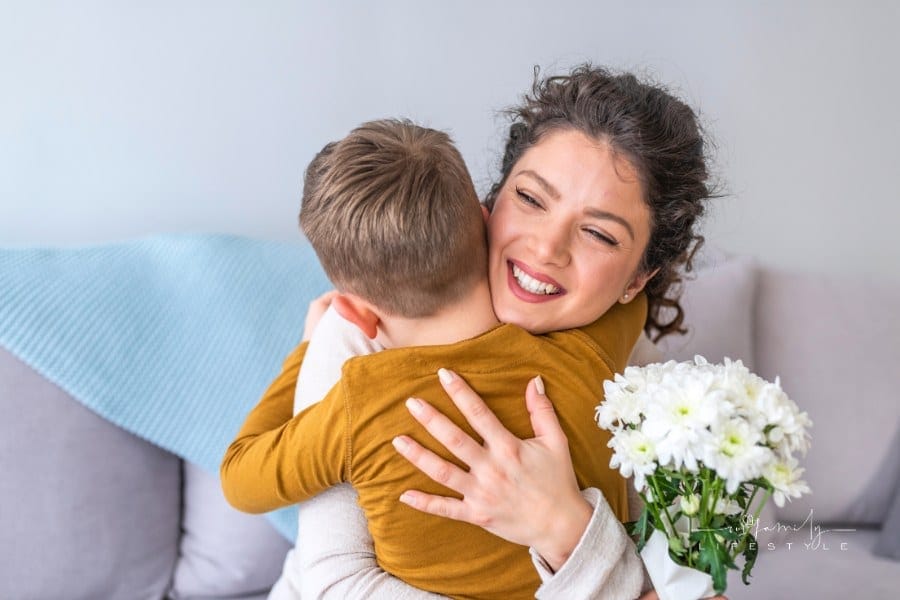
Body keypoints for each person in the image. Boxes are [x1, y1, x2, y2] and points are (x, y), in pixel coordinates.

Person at [220, 117, 651, 599]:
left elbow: (239, 476)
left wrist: (303, 352)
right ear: (486, 221)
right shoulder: (591, 349)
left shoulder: (356, 406)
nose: (548, 248)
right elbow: (632, 302)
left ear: (355, 313)